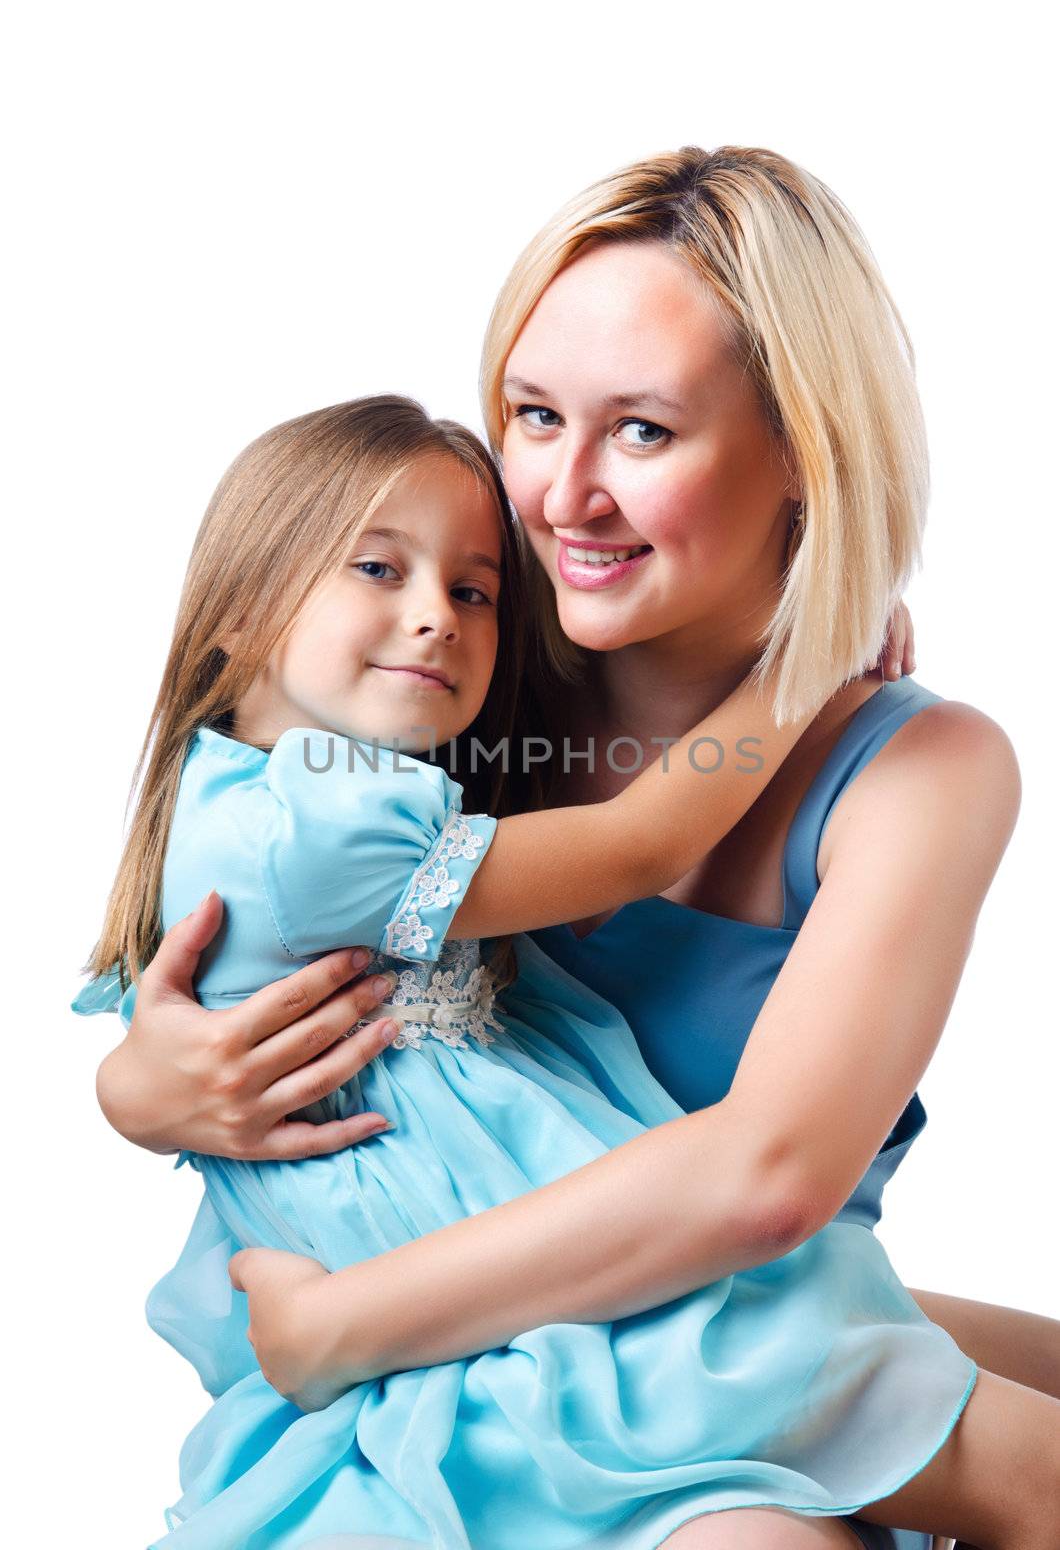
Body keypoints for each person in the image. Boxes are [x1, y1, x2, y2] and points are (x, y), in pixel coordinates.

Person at [89, 148, 1060, 1549]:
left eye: (645, 433)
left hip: (690, 1342)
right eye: (536, 417)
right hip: (475, 1380)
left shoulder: (918, 769)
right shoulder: (450, 688)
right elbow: (237, 924)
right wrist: (147, 1083)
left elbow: (767, 1181)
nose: (563, 495)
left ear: (809, 453)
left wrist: (344, 1325)